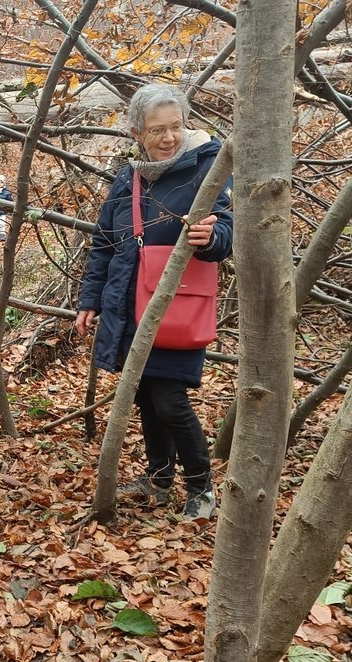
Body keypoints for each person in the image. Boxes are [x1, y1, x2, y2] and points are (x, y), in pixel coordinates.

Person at [74, 83, 233, 521]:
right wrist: (90, 300)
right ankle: (159, 479)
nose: (168, 138)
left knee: (168, 399)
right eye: (157, 130)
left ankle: (200, 488)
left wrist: (210, 237)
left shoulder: (208, 166)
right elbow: (105, 243)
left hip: (178, 309)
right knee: (144, 394)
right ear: (136, 133)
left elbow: (228, 230)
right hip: (129, 307)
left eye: (176, 127)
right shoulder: (129, 177)